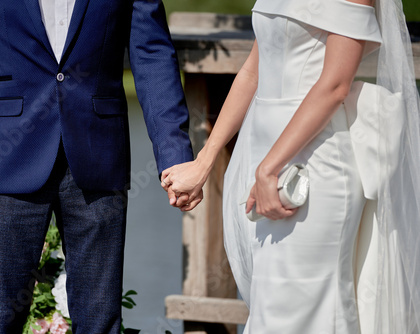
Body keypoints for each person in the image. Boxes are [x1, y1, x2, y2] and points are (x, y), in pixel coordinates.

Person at [0, 0, 194, 332]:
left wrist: (175, 154)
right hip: (7, 157)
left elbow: (153, 54)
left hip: (99, 153)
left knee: (100, 319)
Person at [161, 0, 420, 332]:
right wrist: (204, 161)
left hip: (317, 166)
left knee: (306, 305)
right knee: (270, 305)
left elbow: (335, 85)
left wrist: (269, 168)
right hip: (263, 163)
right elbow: (252, 73)